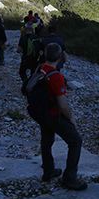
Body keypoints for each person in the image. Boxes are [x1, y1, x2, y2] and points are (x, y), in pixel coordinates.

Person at [35, 42, 86, 190]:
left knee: (46, 141)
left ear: (45, 54)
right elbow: (63, 105)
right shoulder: (56, 76)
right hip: (53, 115)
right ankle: (69, 178)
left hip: (41, 113)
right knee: (76, 141)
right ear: (60, 57)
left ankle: (48, 171)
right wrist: (71, 119)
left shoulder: (40, 68)